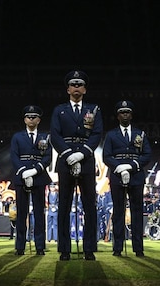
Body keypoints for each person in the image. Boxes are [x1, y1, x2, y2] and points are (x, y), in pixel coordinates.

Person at [50, 70, 103, 261]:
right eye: (73, 84)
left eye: (80, 84)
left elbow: (97, 134)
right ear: (68, 89)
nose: (76, 87)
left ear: (85, 89)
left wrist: (82, 153)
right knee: (64, 206)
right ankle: (64, 249)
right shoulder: (59, 110)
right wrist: (69, 155)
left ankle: (89, 248)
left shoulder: (94, 109)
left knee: (90, 206)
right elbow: (55, 135)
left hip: (87, 160)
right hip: (65, 161)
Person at [103, 100, 152, 257]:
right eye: (122, 112)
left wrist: (131, 166)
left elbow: (147, 155)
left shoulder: (140, 134)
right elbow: (106, 156)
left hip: (136, 175)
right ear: (118, 116)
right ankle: (117, 247)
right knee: (118, 212)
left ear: (131, 115)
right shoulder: (111, 135)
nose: (125, 115)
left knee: (137, 212)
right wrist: (119, 167)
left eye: (127, 112)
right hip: (117, 176)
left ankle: (138, 248)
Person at [10, 105, 52, 256]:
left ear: (39, 120)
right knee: (21, 213)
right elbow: (14, 156)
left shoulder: (45, 136)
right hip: (22, 177)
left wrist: (35, 171)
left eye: (34, 117)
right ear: (24, 119)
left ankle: (40, 246)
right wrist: (24, 172)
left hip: (39, 176)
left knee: (40, 213)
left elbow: (47, 157)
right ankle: (20, 246)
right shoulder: (17, 137)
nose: (31, 119)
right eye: (28, 117)